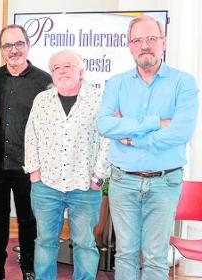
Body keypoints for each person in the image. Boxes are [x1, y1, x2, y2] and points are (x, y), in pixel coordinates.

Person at [97, 15, 199, 280]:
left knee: (155, 257)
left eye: (151, 38)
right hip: (123, 181)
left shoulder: (184, 83)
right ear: (130, 46)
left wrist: (131, 135)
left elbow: (181, 132)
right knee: (125, 254)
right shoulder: (116, 84)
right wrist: (156, 123)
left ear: (163, 43)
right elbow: (106, 125)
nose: (145, 45)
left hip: (164, 183)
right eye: (138, 40)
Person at [24, 49, 109, 280]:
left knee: (84, 243)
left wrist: (98, 177)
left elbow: (108, 141)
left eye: (68, 66)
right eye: (56, 68)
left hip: (84, 187)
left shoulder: (99, 100)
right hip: (46, 186)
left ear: (81, 71)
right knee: (44, 242)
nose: (62, 71)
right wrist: (34, 172)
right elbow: (31, 136)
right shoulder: (42, 101)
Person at [0, 24, 51, 280]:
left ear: (28, 45)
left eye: (18, 43)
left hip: (28, 166)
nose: (14, 50)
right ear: (1, 50)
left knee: (28, 220)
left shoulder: (44, 81)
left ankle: (29, 266)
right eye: (7, 45)